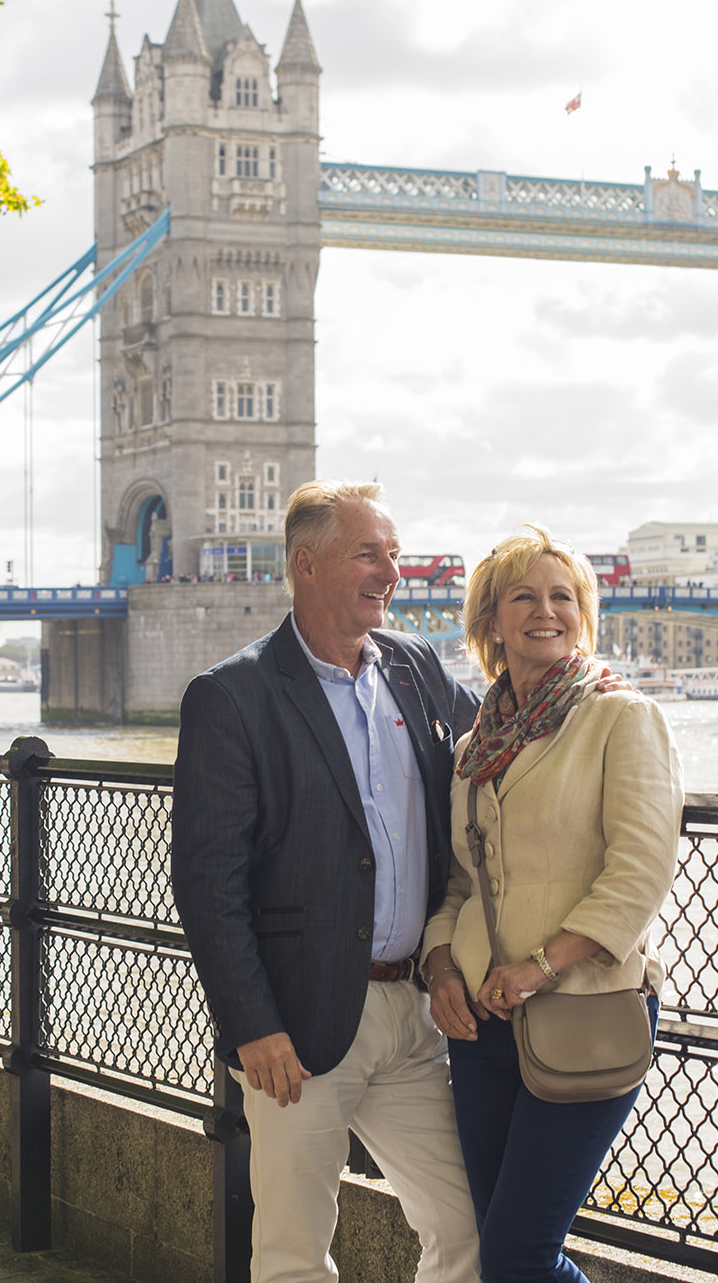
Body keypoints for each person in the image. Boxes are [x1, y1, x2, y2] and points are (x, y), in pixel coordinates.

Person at [173, 480, 482, 1283]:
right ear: (307, 564)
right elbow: (209, 883)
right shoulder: (230, 697)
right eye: (369, 553)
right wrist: (252, 1025)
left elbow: (503, 737)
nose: (392, 571)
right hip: (298, 1025)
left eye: (395, 554)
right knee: (293, 1253)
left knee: (467, 1222)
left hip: (412, 1010)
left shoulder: (415, 668)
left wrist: (586, 696)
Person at [420, 527, 683, 1283]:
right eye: (523, 597)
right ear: (491, 622)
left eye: (563, 596)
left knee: (519, 1254)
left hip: (584, 1007)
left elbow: (640, 869)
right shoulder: (475, 747)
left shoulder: (619, 717)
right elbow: (462, 885)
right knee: (494, 1244)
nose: (546, 611)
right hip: (479, 1020)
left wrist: (540, 965)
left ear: (583, 613)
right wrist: (441, 965)